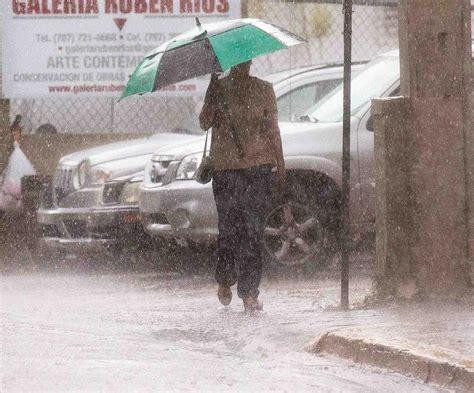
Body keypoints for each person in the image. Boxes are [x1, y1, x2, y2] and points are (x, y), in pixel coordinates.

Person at [199, 61, 285, 312]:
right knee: (228, 230)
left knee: (253, 231)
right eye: (239, 61)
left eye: (246, 60)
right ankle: (225, 278)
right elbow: (204, 123)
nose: (243, 65)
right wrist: (212, 94)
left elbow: (273, 130)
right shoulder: (219, 88)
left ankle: (249, 292)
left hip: (258, 169)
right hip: (226, 170)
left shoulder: (264, 89)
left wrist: (280, 163)